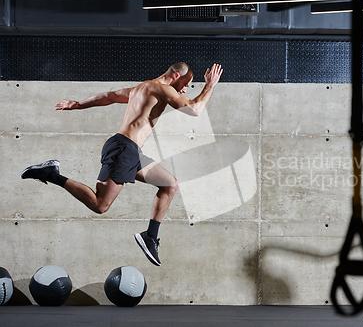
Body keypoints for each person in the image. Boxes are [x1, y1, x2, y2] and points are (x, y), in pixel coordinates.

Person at [21, 62, 223, 267]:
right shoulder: (162, 89)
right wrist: (210, 85)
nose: (185, 90)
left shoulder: (141, 88)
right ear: (176, 75)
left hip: (131, 151)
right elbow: (195, 109)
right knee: (100, 205)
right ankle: (51, 173)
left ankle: (150, 237)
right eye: (186, 84)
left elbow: (109, 96)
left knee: (170, 184)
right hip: (124, 149)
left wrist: (79, 104)